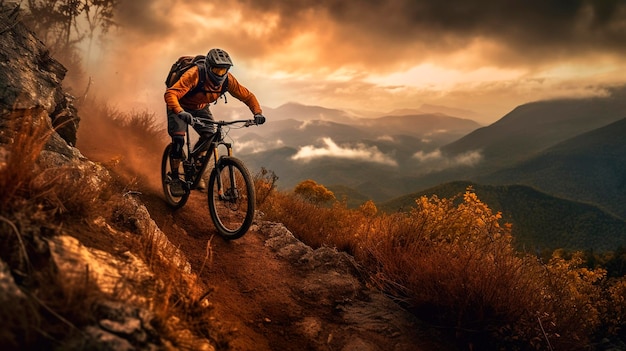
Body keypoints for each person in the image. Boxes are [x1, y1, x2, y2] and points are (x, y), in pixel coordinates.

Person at [164, 48, 265, 196]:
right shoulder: (194, 74)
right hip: (180, 105)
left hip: (200, 107)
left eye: (223, 70)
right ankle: (174, 177)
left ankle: (196, 164)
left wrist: (257, 113)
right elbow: (171, 93)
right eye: (216, 70)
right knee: (178, 139)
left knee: (210, 135)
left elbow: (247, 96)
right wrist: (179, 111)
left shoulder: (228, 80)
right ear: (208, 66)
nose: (220, 74)